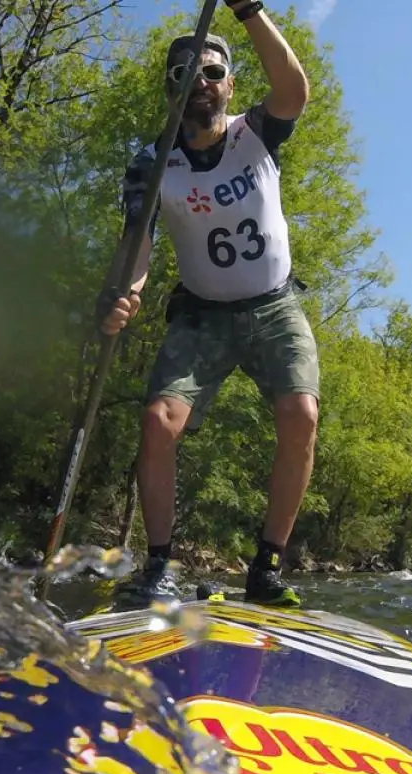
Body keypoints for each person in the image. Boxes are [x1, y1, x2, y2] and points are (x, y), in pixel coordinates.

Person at [101, 1, 314, 609]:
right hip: (202, 313)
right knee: (156, 421)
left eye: (213, 71)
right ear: (170, 89)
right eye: (186, 71)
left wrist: (249, 11)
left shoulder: (258, 130)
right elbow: (137, 243)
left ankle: (267, 566)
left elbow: (294, 90)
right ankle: (159, 566)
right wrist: (124, 294)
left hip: (275, 305)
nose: (200, 80)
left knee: (300, 413)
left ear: (231, 83)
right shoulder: (151, 164)